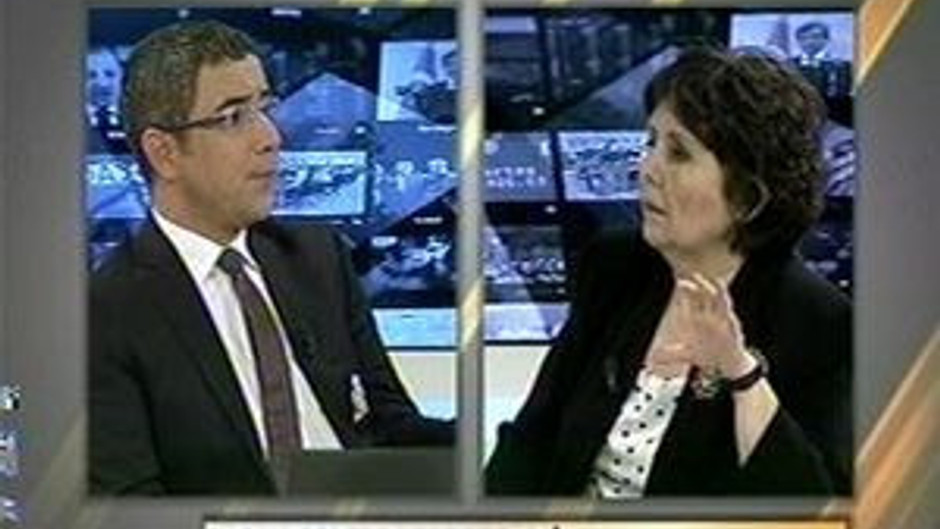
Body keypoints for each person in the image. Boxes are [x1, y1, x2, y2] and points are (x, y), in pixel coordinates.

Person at [89, 20, 453, 496]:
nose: (271, 137)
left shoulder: (318, 257)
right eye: (233, 117)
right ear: (164, 153)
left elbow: (390, 423)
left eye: (265, 108)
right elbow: (132, 506)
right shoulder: (106, 312)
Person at [485, 47, 852, 497]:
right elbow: (531, 436)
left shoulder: (820, 323)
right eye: (651, 143)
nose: (647, 169)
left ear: (749, 195)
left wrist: (739, 372)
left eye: (678, 153)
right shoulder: (614, 266)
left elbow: (815, 503)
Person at [791, 21, 852, 98]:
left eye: (815, 37)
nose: (809, 42)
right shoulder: (789, 65)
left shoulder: (841, 66)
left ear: (826, 40)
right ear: (798, 41)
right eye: (804, 38)